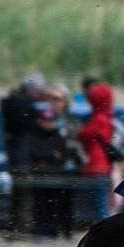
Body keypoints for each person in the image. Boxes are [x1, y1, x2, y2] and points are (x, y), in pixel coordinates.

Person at [1, 72, 44, 234]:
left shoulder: (12, 106)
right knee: (25, 198)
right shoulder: (24, 109)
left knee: (18, 197)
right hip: (23, 159)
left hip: (17, 158)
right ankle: (22, 230)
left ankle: (16, 229)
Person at [25, 99, 73, 237]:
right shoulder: (33, 136)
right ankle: (42, 231)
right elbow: (34, 154)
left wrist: (47, 157)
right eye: (46, 120)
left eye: (51, 119)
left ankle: (57, 231)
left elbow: (62, 157)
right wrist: (50, 155)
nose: (49, 122)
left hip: (57, 177)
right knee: (41, 206)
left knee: (57, 206)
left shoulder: (58, 137)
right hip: (40, 177)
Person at [76, 81, 119, 227]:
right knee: (100, 205)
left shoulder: (99, 119)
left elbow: (86, 136)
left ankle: (105, 232)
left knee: (101, 207)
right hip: (99, 166)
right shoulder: (104, 117)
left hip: (98, 166)